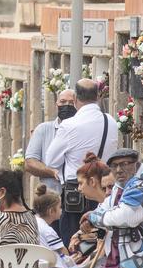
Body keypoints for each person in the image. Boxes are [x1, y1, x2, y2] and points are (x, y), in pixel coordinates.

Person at [43, 79, 118, 248]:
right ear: (98, 97)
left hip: (76, 192)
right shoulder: (110, 121)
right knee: (101, 238)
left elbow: (51, 160)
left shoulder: (69, 125)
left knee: (74, 243)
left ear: (76, 98)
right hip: (105, 189)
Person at [23, 89, 78, 196]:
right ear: (56, 104)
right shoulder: (43, 129)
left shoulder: (83, 130)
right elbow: (30, 162)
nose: (67, 105)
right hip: (50, 196)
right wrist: (51, 172)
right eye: (63, 102)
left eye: (71, 103)